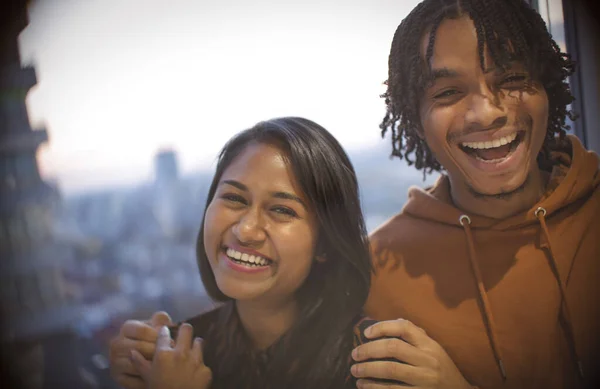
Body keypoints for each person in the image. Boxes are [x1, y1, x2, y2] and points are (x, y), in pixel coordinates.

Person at [349, 0, 600, 388]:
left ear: (547, 86)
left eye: (512, 79)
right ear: (416, 120)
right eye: (448, 92)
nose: (485, 113)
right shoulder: (374, 273)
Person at [109, 117, 375, 389]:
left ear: (325, 244)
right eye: (234, 199)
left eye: (282, 210)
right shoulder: (176, 358)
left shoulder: (374, 365)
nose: (246, 230)